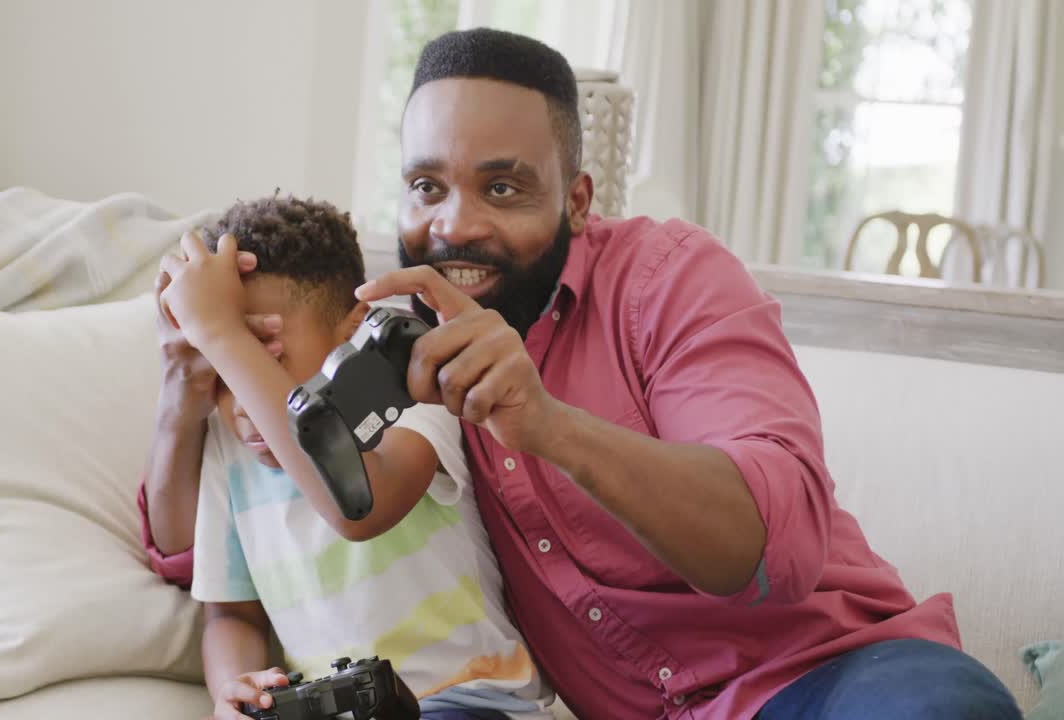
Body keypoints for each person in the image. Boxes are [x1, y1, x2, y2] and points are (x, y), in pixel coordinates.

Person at [141, 28, 1020, 720]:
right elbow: (227, 540)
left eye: (505, 188)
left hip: (828, 678)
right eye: (426, 186)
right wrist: (196, 371)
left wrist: (548, 424)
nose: (459, 226)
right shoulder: (391, 344)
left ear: (579, 198)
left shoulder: (669, 279)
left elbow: (776, 539)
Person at [154, 194, 555, 720]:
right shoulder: (229, 448)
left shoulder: (408, 394)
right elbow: (230, 611)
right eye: (223, 369)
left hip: (469, 698)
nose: (243, 395)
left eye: (262, 355)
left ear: (353, 332)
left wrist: (223, 334)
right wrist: (235, 690)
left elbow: (359, 507)